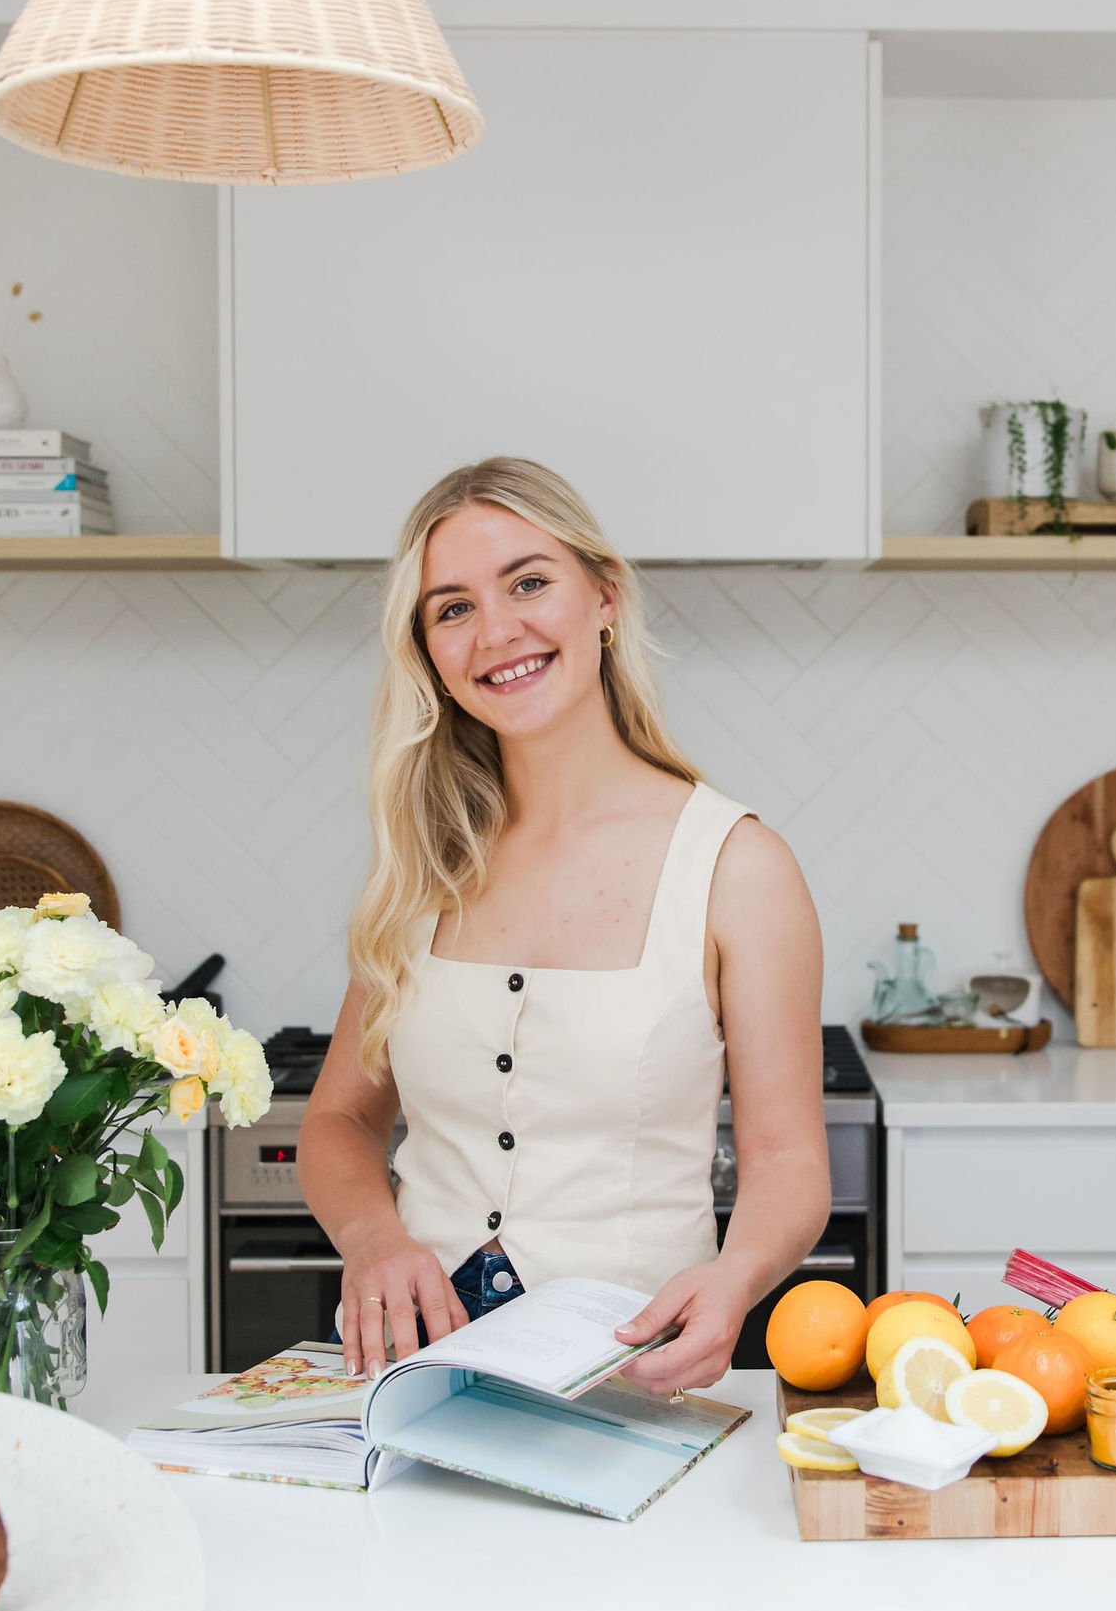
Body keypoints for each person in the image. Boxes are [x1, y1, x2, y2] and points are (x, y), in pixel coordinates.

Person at [299, 456, 831, 1393]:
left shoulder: (736, 867)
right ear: (426, 650)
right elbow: (340, 1118)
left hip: (633, 1388)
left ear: (605, 598)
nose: (496, 631)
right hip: (418, 1390)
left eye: (530, 583)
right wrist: (374, 1239)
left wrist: (736, 1278)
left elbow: (787, 1160)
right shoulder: (424, 868)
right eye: (451, 608)